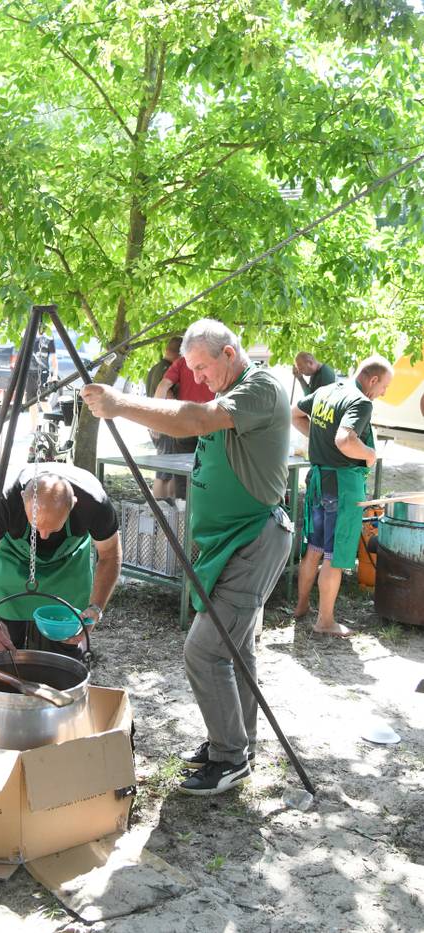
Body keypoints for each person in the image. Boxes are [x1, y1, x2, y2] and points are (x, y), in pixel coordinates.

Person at [82, 319, 293, 796]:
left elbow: (195, 420)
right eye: (191, 368)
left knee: (205, 649)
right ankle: (238, 744)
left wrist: (121, 405)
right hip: (227, 544)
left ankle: (229, 757)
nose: (198, 377)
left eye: (203, 367)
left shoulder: (259, 387)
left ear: (229, 355)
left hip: (253, 540)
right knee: (235, 648)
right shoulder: (231, 386)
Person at [0, 464, 122, 660]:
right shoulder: (3, 503)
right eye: (36, 527)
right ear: (23, 499)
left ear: (73, 504)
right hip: (12, 562)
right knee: (5, 646)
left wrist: (96, 608)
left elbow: (110, 556)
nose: (44, 537)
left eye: (53, 529)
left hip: (67, 567)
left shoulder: (95, 504)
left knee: (65, 649)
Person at [292, 356, 393, 636]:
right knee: (334, 557)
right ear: (372, 380)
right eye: (384, 385)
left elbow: (295, 414)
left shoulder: (326, 390)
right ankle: (325, 621)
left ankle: (301, 607)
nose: (384, 392)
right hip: (342, 487)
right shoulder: (361, 402)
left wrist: (317, 439)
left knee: (313, 548)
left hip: (318, 483)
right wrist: (370, 454)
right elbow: (345, 439)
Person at [154, 351, 214, 498]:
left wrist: (156, 421)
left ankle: (183, 511)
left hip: (186, 425)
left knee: (183, 476)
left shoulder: (182, 362)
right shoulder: (215, 360)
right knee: (209, 472)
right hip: (212, 425)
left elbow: (163, 387)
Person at [145, 336, 182, 500]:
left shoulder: (155, 368)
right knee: (165, 471)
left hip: (155, 423)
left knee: (166, 469)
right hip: (164, 424)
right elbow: (166, 395)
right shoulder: (168, 369)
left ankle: (166, 507)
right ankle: (162, 508)